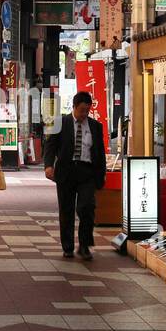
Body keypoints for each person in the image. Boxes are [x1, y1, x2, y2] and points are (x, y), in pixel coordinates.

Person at [43, 91, 107, 260]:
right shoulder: (61, 123)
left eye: (87, 110)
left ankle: (85, 245)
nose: (84, 114)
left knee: (86, 208)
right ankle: (68, 246)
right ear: (74, 107)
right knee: (66, 210)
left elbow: (99, 152)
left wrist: (101, 175)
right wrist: (49, 165)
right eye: (81, 110)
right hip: (66, 172)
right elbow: (50, 146)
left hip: (87, 172)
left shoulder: (95, 126)